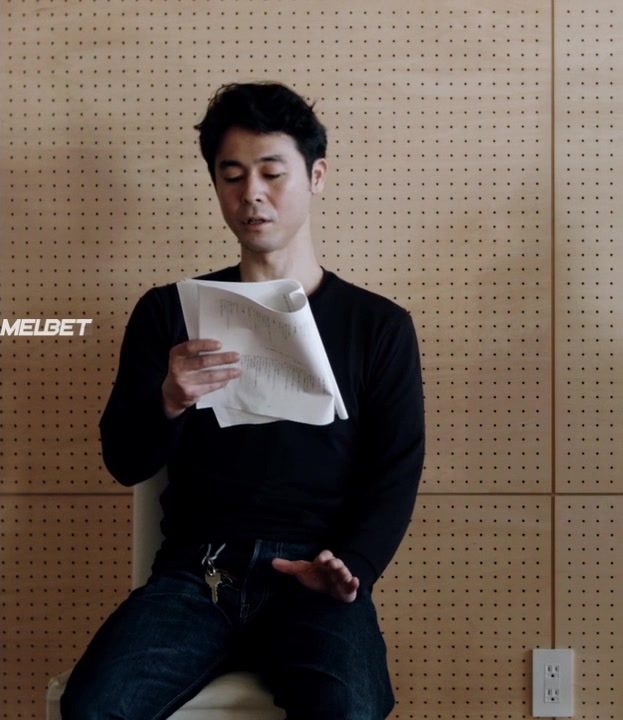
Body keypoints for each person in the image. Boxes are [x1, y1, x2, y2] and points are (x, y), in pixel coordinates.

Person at [62, 82, 425, 719]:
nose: (251, 193)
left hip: (314, 577)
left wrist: (352, 565)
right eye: (231, 176)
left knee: (350, 708)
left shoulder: (378, 326)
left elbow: (395, 470)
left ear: (316, 177)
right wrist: (169, 399)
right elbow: (124, 460)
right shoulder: (170, 311)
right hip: (197, 573)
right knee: (95, 707)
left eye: (271, 173)